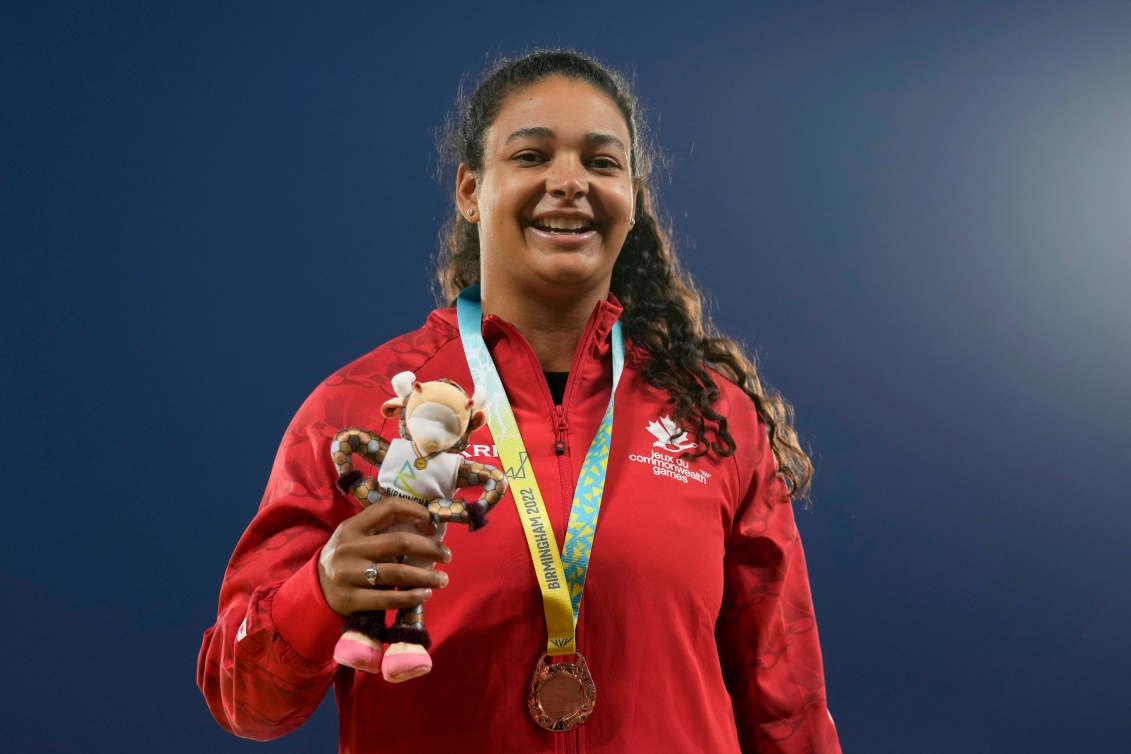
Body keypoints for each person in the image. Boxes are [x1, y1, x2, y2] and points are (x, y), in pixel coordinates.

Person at [198, 49, 841, 753]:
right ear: (470, 190)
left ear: (631, 198)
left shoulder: (712, 418)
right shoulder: (357, 409)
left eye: (601, 163)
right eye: (532, 155)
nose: (568, 182)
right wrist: (317, 592)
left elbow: (785, 705)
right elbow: (244, 702)